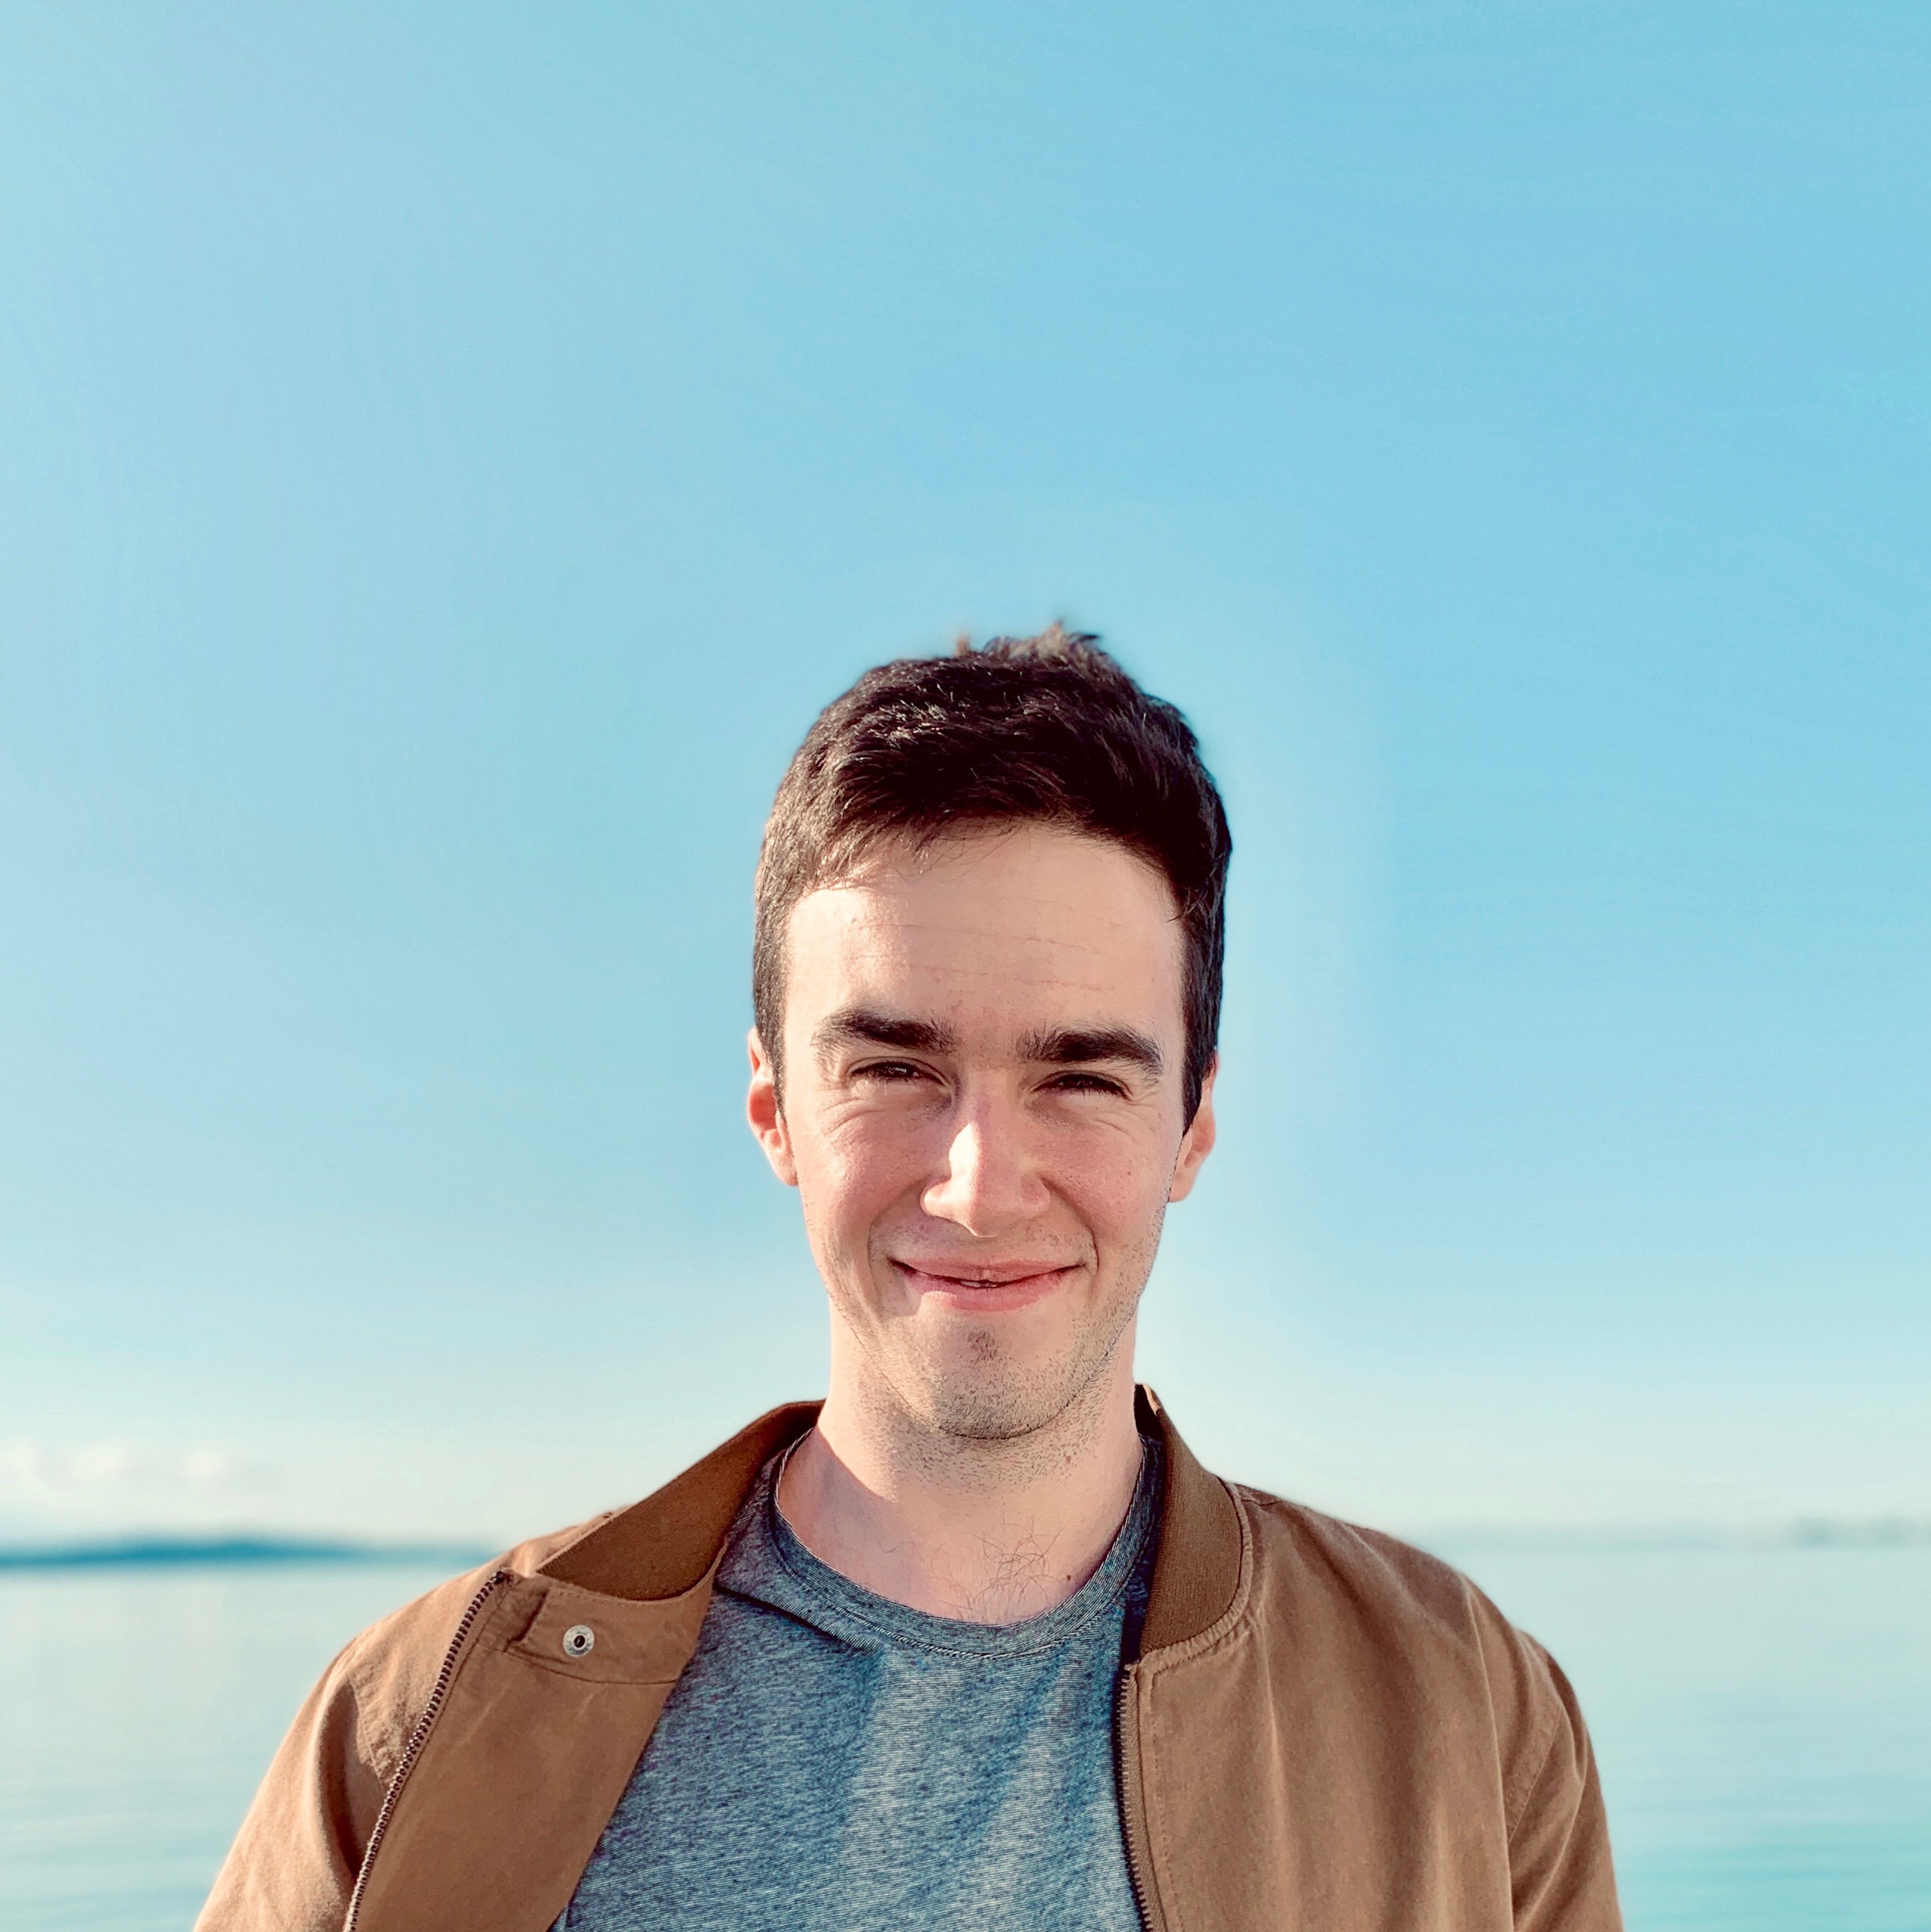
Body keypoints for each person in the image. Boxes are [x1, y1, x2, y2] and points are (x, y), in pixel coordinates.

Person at [196, 628, 1621, 1932]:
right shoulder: (415, 1725)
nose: (981, 1182)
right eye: (894, 1066)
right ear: (773, 1111)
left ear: (1191, 1124)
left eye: (1081, 1074)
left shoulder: (1466, 1712)